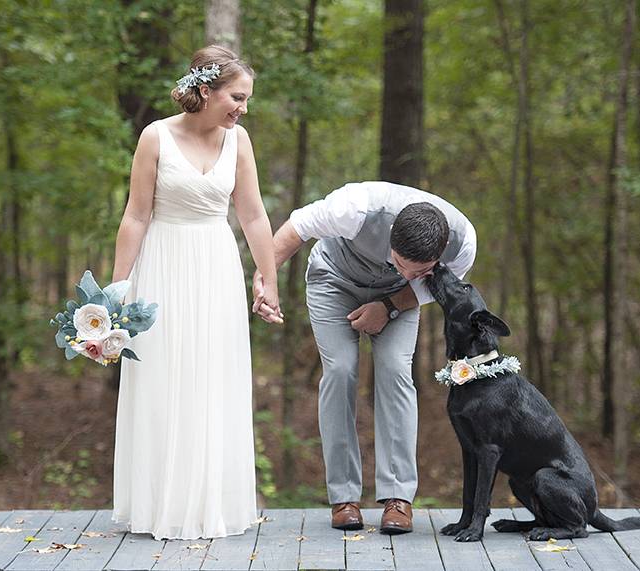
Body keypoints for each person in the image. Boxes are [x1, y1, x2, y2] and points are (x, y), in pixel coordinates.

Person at [110, 45, 282, 540]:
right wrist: (117, 290)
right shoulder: (155, 136)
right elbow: (136, 215)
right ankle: (159, 505)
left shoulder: (239, 141)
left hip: (215, 266)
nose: (243, 108)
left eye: (247, 100)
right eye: (237, 96)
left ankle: (210, 503)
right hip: (162, 265)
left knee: (212, 377)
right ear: (205, 90)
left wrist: (267, 280)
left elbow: (252, 214)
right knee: (165, 377)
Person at [253, 181, 476, 534]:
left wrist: (389, 304)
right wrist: (266, 279)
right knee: (341, 370)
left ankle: (398, 498)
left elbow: (421, 288)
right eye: (403, 264)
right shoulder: (354, 209)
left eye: (421, 270)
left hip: (399, 299)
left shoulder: (463, 242)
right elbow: (297, 226)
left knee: (395, 371)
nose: (409, 274)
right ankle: (344, 498)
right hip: (335, 278)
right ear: (391, 241)